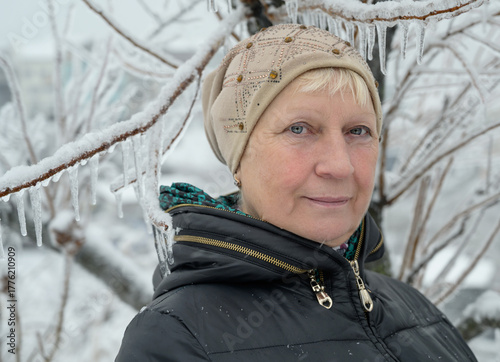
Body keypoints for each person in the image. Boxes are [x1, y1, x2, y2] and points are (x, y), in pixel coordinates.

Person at [116, 24, 477, 361]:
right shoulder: (177, 338)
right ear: (239, 159)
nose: (340, 166)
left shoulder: (417, 310)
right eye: (300, 129)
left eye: (358, 131)